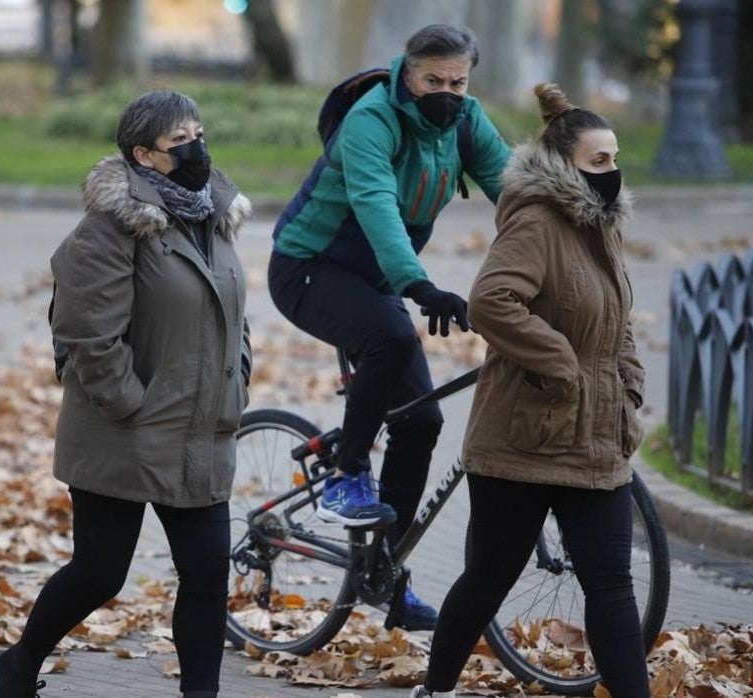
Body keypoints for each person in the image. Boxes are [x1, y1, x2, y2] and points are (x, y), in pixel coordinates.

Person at [0, 90, 252, 698]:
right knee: (100, 573)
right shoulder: (109, 228)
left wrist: (237, 367)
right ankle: (19, 663)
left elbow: (230, 310)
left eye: (199, 132)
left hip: (202, 429)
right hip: (125, 432)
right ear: (143, 155)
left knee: (209, 574)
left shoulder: (210, 214)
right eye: (179, 140)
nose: (197, 147)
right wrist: (132, 405)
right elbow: (86, 333)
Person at [267, 24, 511, 630]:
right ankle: (347, 477)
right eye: (433, 80)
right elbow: (375, 203)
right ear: (407, 71)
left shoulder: (466, 120)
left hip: (374, 279)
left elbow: (514, 190)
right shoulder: (373, 120)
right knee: (393, 336)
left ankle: (383, 574)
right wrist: (418, 284)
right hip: (308, 266)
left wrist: (568, 242)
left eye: (458, 81)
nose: (447, 93)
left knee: (422, 421)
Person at [411, 83, 648, 698]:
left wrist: (628, 380)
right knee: (487, 581)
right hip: (524, 439)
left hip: (596, 439)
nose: (612, 172)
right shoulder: (537, 223)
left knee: (612, 586)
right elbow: (491, 302)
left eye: (615, 159)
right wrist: (561, 363)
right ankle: (435, 689)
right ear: (564, 166)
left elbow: (615, 318)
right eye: (599, 162)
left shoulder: (601, 229)